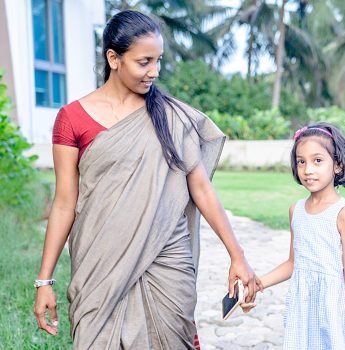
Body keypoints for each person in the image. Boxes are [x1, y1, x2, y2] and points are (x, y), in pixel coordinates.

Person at [33, 10, 260, 349]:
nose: (154, 71)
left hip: (166, 260)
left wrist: (237, 255)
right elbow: (65, 203)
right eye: (144, 62)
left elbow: (201, 188)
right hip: (100, 262)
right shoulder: (72, 119)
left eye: (158, 61)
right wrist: (44, 280)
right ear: (114, 58)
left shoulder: (171, 116)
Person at [242, 123, 345, 350]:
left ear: (336, 165)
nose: (308, 170)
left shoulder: (344, 214)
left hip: (335, 311)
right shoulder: (295, 211)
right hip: (304, 309)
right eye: (301, 161)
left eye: (317, 161)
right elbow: (293, 263)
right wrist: (257, 285)